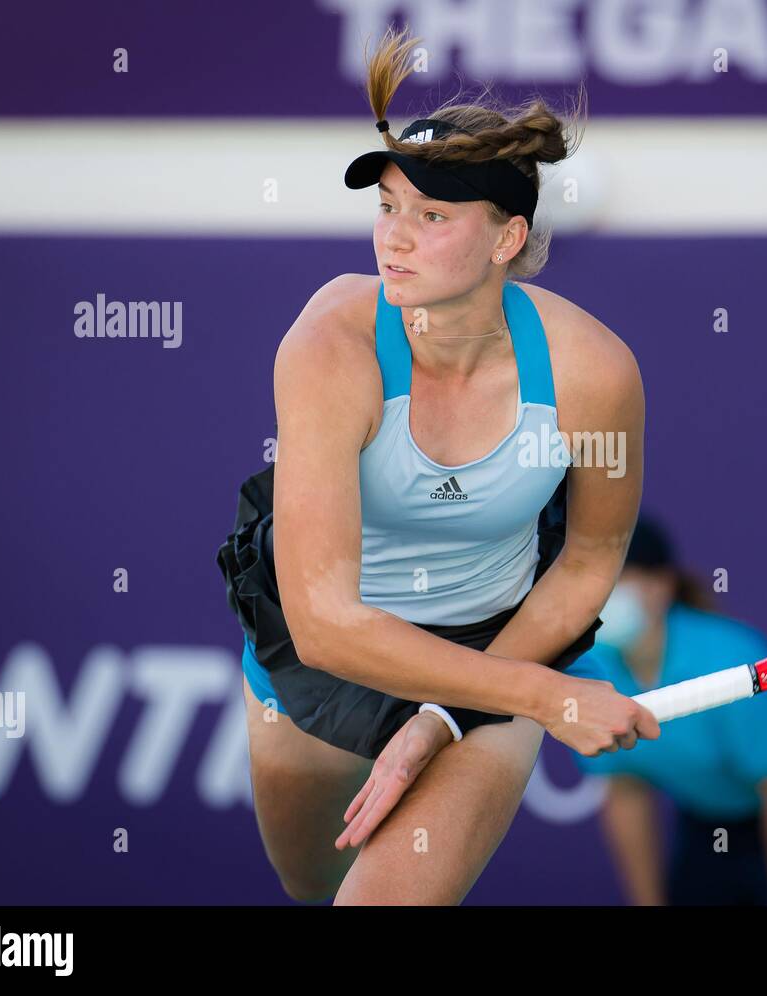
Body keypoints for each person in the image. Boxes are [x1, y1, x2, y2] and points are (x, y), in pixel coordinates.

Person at [215, 24, 658, 906]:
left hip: (494, 641)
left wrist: (460, 710)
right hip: (320, 665)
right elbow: (327, 623)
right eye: (387, 206)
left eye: (431, 215)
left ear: (506, 240)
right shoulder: (329, 345)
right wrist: (541, 696)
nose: (394, 238)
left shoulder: (593, 372)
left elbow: (588, 557)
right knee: (310, 887)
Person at [564, 515, 767, 906]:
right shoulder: (591, 667)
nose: (606, 591)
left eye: (621, 576)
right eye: (595, 576)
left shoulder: (727, 654)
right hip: (713, 818)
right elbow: (626, 793)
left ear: (662, 587)